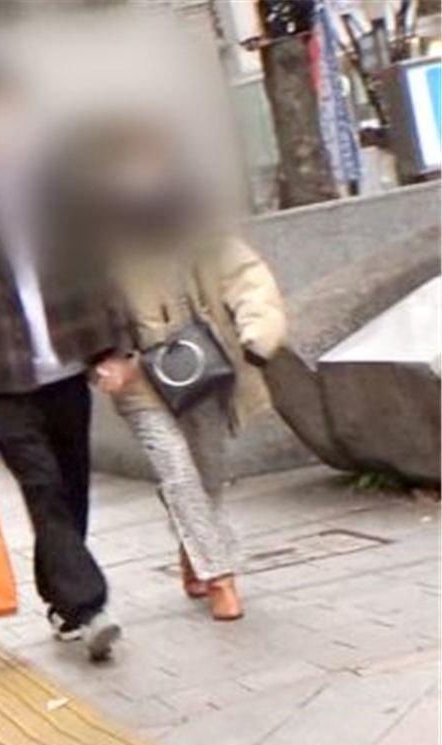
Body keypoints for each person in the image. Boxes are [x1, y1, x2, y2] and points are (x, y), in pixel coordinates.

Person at [0, 60, 135, 662]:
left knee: (71, 485)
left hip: (66, 357)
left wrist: (117, 344)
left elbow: (96, 261)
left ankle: (61, 599)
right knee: (41, 486)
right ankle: (89, 605)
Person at [96, 127, 286, 622]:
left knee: (209, 471)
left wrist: (258, 334)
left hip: (202, 362)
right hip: (139, 374)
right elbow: (80, 304)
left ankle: (193, 548)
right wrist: (108, 356)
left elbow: (246, 276)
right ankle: (222, 577)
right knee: (178, 472)